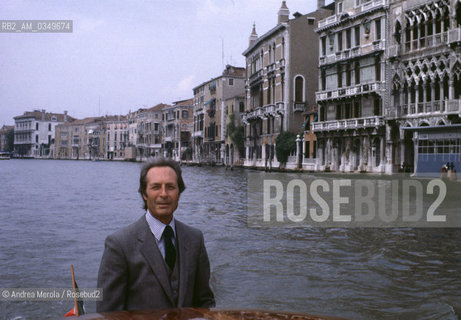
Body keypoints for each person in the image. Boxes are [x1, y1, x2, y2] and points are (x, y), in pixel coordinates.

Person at [96, 157, 215, 312]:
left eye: (170, 187)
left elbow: (205, 302)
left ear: (179, 193)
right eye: (156, 187)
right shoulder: (119, 245)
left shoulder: (195, 239)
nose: (164, 194)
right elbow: (108, 313)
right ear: (144, 194)